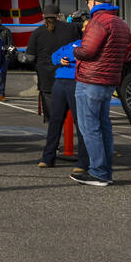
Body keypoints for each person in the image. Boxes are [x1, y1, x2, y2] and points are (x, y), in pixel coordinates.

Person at [71, 0, 131, 186]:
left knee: (89, 127)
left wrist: (76, 51)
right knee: (104, 126)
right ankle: (105, 171)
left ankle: (98, 172)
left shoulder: (98, 21)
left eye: (88, 1)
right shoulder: (120, 22)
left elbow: (88, 51)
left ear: (95, 2)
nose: (87, 5)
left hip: (91, 79)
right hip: (108, 79)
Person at [38, 36, 89, 175]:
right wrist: (59, 59)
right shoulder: (72, 44)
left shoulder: (91, 44)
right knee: (55, 120)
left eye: (87, 27)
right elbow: (55, 55)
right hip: (59, 82)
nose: (85, 30)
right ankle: (48, 157)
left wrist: (67, 56)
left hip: (76, 82)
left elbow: (82, 55)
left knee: (80, 122)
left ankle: (84, 161)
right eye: (84, 27)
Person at [25, 5, 78, 119]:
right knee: (71, 106)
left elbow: (30, 56)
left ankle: (53, 128)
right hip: (68, 72)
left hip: (46, 75)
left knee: (51, 113)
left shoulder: (37, 33)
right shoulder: (72, 28)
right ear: (59, 15)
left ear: (43, 16)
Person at [0, 18, 14, 100]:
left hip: (2, 58)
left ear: (0, 21)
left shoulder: (6, 31)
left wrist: (7, 57)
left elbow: (11, 45)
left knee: (2, 77)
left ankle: (1, 94)